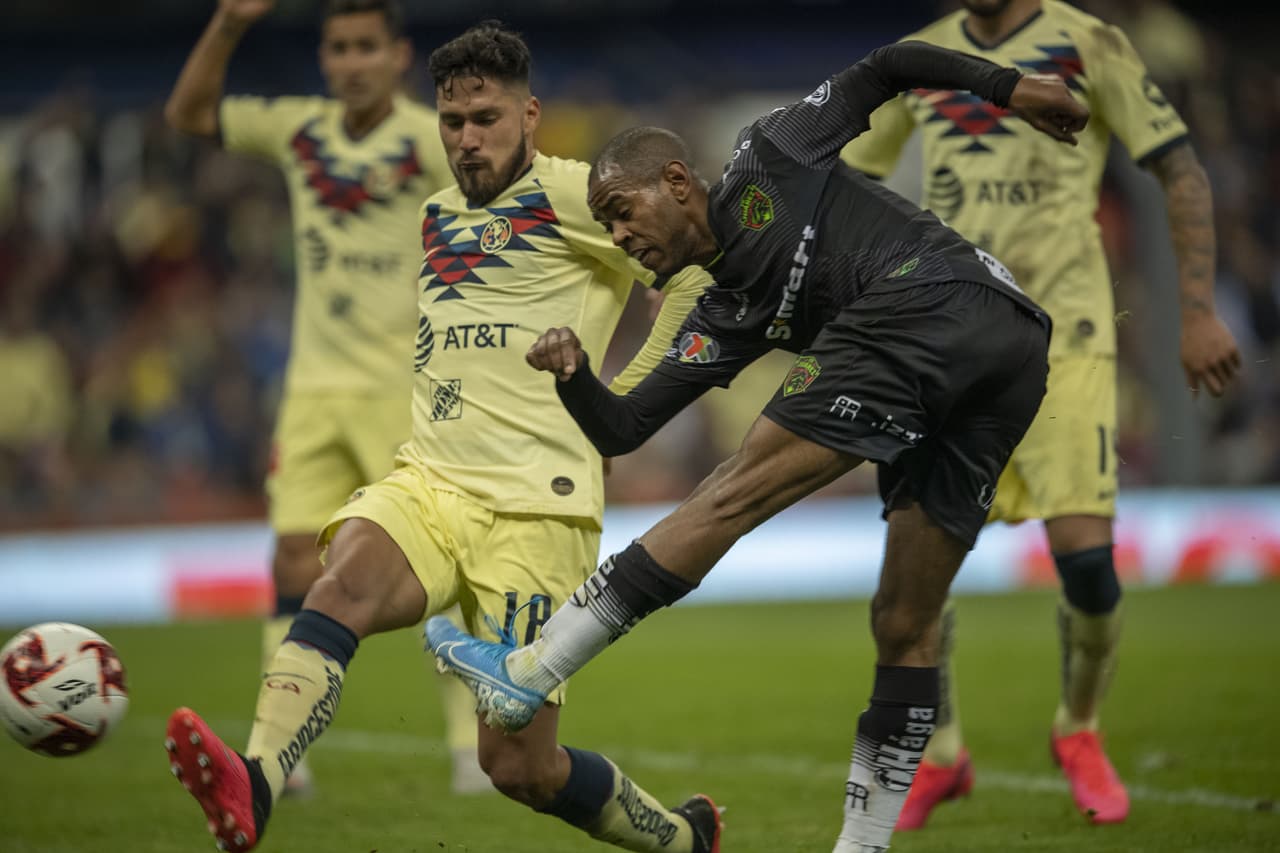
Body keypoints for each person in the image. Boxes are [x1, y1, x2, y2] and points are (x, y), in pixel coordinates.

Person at [426, 40, 1088, 853]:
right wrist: (574, 376)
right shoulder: (724, 314)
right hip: (1008, 356)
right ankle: (862, 846)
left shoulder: (771, 152)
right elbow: (624, 428)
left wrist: (1007, 86)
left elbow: (883, 71)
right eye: (604, 226)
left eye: (623, 212)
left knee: (731, 489)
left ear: (675, 182)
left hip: (933, 296)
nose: (620, 236)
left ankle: (532, 670)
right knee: (904, 622)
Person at [163, 20, 723, 853]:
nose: (468, 139)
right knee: (338, 583)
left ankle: (682, 839)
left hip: (538, 509)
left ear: (529, 115)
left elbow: (696, 269)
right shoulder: (433, 212)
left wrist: (625, 400)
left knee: (519, 765)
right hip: (432, 480)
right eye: (453, 122)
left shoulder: (578, 193)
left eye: (487, 119)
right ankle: (258, 782)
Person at [839, 0, 1241, 828]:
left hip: (1068, 337)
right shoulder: (924, 55)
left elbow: (1180, 168)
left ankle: (1080, 729)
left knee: (1088, 566)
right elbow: (855, 171)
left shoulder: (1087, 42)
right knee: (915, 573)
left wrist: (1196, 309)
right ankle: (940, 752)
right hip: (950, 340)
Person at [162, 0, 489, 796]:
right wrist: (230, 24)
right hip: (313, 388)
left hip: (407, 391)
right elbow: (188, 115)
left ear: (397, 56)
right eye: (338, 48)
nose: (351, 62)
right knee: (288, 561)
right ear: (324, 58)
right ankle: (284, 749)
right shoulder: (299, 130)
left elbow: (508, 195)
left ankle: (469, 744)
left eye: (366, 47)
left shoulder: (427, 139)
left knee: (435, 565)